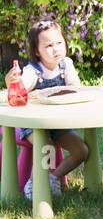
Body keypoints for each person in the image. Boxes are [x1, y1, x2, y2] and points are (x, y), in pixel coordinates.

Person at [5, 19, 89, 199]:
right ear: (37, 51)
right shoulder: (33, 71)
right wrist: (11, 81)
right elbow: (18, 89)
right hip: (34, 125)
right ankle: (34, 184)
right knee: (47, 146)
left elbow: (76, 88)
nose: (56, 48)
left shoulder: (66, 65)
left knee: (81, 150)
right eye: (49, 45)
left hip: (57, 125)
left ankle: (53, 178)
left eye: (59, 42)